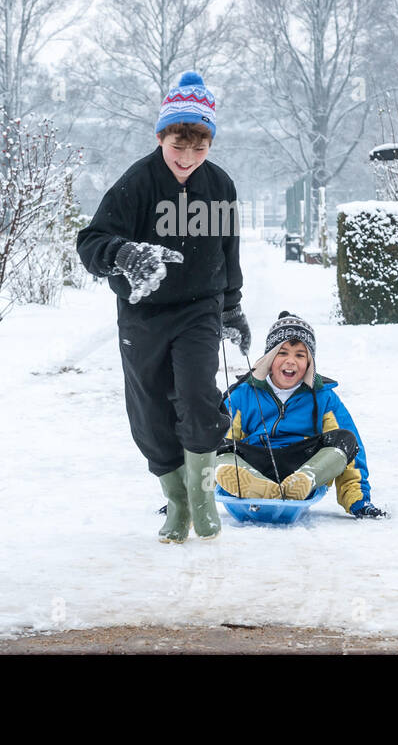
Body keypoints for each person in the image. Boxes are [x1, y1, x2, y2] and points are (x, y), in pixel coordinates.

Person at [76, 71, 250, 544]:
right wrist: (124, 254)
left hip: (200, 309)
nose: (188, 158)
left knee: (197, 397)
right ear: (160, 136)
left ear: (210, 144)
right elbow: (91, 241)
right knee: (150, 414)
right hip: (143, 315)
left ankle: (201, 495)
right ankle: (176, 501)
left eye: (200, 148)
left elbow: (228, 251)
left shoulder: (220, 186)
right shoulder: (137, 183)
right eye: (179, 145)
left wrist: (231, 308)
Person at [216, 312, 388, 518]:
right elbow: (220, 438)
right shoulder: (243, 394)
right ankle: (254, 484)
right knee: (213, 442)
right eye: (283, 353)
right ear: (270, 358)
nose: (291, 361)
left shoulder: (323, 397)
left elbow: (352, 453)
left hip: (301, 463)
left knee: (346, 440)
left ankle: (304, 480)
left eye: (300, 355)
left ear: (309, 363)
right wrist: (189, 499)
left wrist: (358, 501)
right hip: (254, 461)